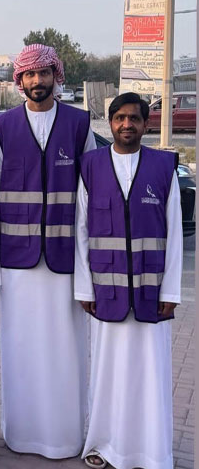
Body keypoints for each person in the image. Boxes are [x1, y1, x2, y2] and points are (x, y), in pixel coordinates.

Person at [0, 44, 95, 458]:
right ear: (20, 80)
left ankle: (65, 436)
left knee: (66, 348)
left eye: (44, 73)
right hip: (18, 261)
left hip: (65, 257)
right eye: (29, 75)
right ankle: (22, 434)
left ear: (56, 76)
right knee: (21, 348)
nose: (37, 81)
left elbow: (91, 192)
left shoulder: (79, 124)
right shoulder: (3, 126)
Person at [75, 93, 182, 469]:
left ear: (146, 124)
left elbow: (174, 234)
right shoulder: (91, 166)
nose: (126, 125)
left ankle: (152, 452)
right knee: (108, 374)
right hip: (106, 292)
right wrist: (84, 287)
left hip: (152, 293)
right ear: (110, 122)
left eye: (134, 118)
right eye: (119, 118)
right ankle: (104, 445)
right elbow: (81, 230)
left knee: (150, 374)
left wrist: (171, 291)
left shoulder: (163, 166)